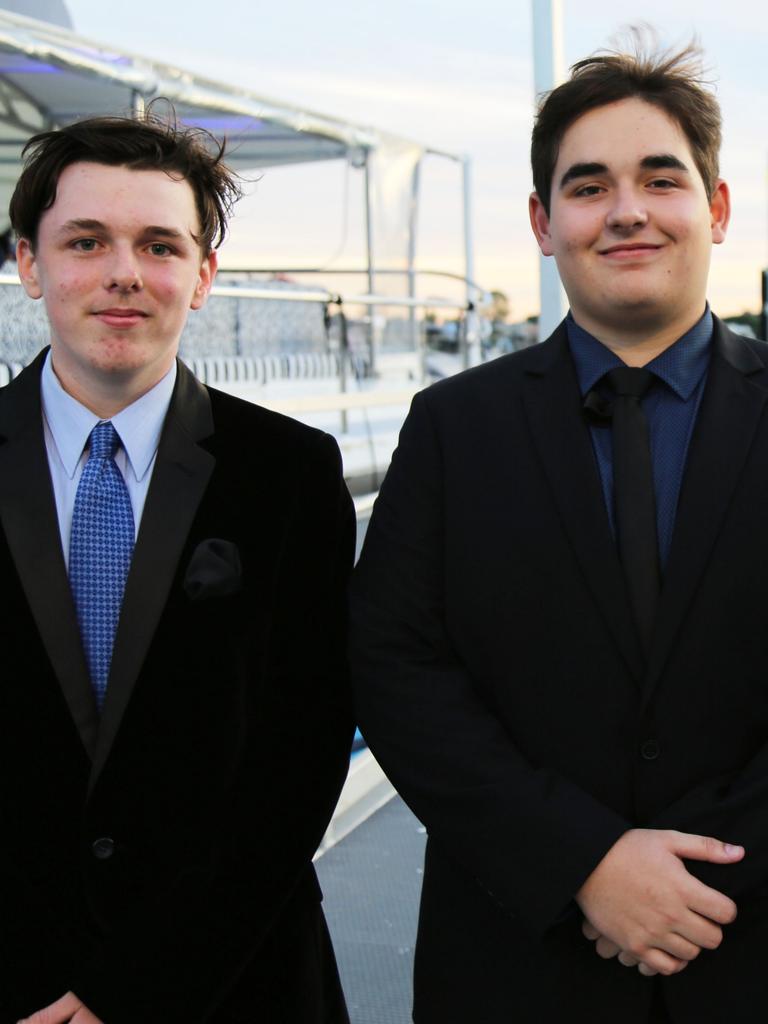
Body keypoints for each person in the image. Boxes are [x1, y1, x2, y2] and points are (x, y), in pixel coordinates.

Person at [350, 38, 768, 1024]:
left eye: (660, 179)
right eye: (589, 186)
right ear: (544, 223)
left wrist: (697, 881)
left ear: (715, 205)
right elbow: (394, 666)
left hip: (751, 946)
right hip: (517, 959)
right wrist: (579, 860)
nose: (626, 209)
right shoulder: (455, 427)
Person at [0, 112, 354, 1024]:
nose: (124, 270)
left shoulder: (289, 474)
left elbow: (300, 758)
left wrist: (135, 988)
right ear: (30, 263)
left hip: (234, 980)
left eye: (159, 244)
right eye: (86, 240)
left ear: (201, 277)